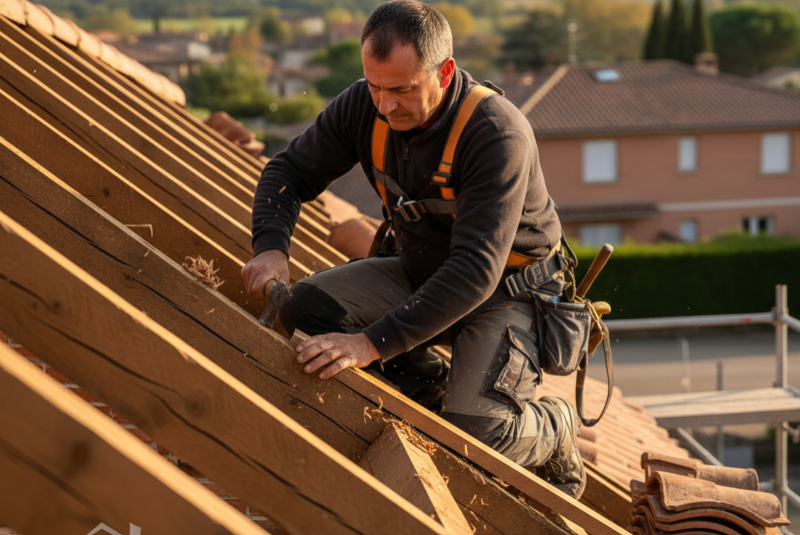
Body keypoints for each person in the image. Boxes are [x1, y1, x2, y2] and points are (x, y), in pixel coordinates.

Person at [242, 0, 586, 498]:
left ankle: (554, 428)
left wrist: (370, 344)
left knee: (474, 435)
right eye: (376, 86)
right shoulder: (364, 104)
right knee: (303, 313)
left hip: (508, 294)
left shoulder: (496, 134)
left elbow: (475, 271)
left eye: (402, 90)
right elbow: (286, 172)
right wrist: (271, 246)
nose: (385, 105)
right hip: (420, 275)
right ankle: (432, 387)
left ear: (444, 71)